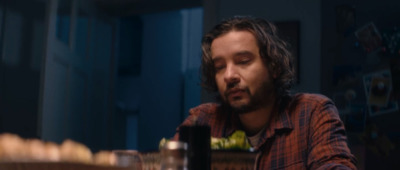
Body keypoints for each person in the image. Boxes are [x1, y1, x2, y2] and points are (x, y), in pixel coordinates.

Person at [173, 16, 357, 169]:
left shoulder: (312, 112)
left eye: (243, 61)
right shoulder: (203, 119)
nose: (228, 76)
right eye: (219, 67)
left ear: (274, 66)